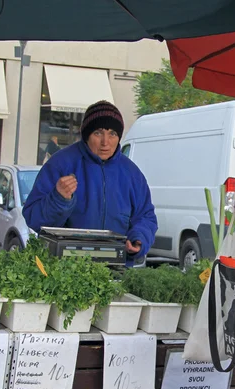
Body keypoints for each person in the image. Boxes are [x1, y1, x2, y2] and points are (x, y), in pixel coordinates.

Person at [23, 101, 157, 266]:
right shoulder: (60, 164)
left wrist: (139, 239)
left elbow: (146, 216)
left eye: (112, 133)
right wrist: (57, 199)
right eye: (98, 133)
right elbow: (32, 218)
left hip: (116, 268)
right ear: (86, 135)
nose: (105, 142)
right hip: (63, 270)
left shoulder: (132, 174)